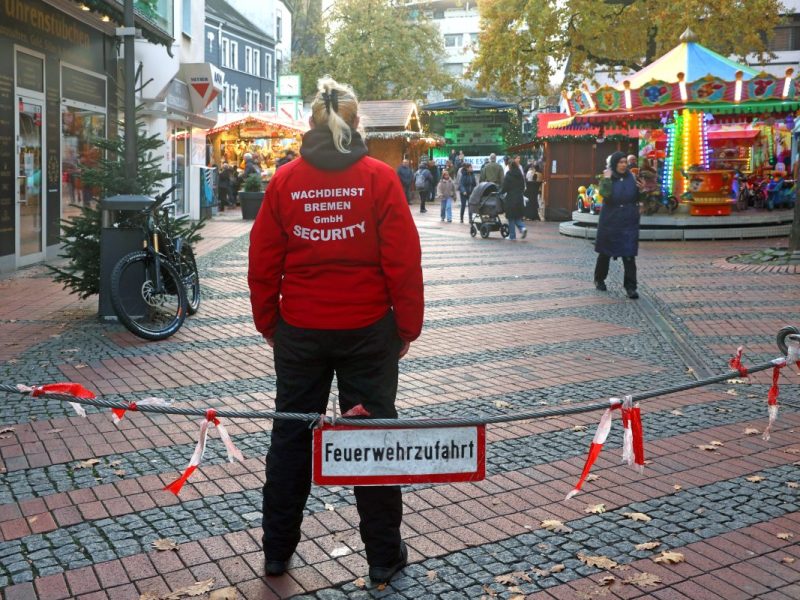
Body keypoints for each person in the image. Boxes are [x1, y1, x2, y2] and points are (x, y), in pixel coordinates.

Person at [248, 75, 424, 586]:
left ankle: (277, 552)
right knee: (372, 440)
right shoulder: (379, 178)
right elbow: (403, 261)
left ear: (311, 124)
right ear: (356, 123)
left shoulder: (284, 181)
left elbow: (263, 261)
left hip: (300, 329)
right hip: (368, 331)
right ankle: (383, 557)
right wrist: (406, 325)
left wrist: (269, 323)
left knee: (290, 440)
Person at [594, 152, 644, 299]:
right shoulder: (607, 177)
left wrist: (641, 191)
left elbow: (638, 197)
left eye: (624, 162)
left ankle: (631, 287)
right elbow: (605, 195)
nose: (623, 165)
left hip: (628, 219)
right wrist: (607, 179)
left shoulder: (632, 177)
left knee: (629, 254)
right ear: (615, 164)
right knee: (605, 252)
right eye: (620, 162)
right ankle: (599, 279)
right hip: (610, 219)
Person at [501, 155, 527, 240]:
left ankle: (512, 236)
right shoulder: (520, 174)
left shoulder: (508, 175)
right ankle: (522, 228)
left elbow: (505, 187)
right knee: (517, 217)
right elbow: (523, 186)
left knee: (511, 218)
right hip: (519, 198)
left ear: (509, 166)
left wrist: (500, 192)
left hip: (511, 199)